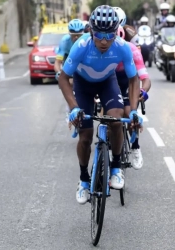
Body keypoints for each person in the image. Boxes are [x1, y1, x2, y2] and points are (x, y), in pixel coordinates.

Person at [58, 5, 143, 204]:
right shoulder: (81, 45)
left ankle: (115, 167)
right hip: (83, 84)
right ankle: (83, 179)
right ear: (91, 32)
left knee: (116, 118)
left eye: (109, 36)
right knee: (85, 136)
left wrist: (134, 111)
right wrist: (74, 108)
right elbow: (63, 79)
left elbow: (133, 80)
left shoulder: (122, 46)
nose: (104, 41)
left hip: (107, 82)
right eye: (99, 35)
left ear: (116, 32)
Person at [115, 25, 151, 170]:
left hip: (128, 81)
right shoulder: (101, 51)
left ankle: (135, 147)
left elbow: (145, 78)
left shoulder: (132, 49)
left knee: (130, 113)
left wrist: (142, 91)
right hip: (110, 80)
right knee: (110, 115)